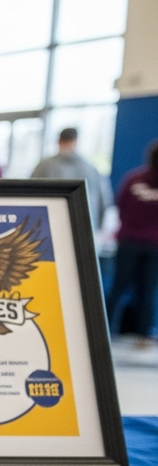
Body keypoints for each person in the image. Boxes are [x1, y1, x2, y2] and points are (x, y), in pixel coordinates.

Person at [105, 140, 158, 344]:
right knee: (148, 290)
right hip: (150, 243)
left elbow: (121, 206)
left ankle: (107, 328)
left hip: (130, 241)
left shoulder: (133, 179)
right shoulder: (133, 179)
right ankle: (143, 335)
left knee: (119, 287)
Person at [32, 128, 114, 231]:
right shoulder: (91, 169)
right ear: (76, 142)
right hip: (85, 229)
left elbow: (30, 198)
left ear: (59, 141)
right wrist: (96, 227)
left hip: (51, 229)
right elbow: (104, 201)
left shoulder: (44, 166)